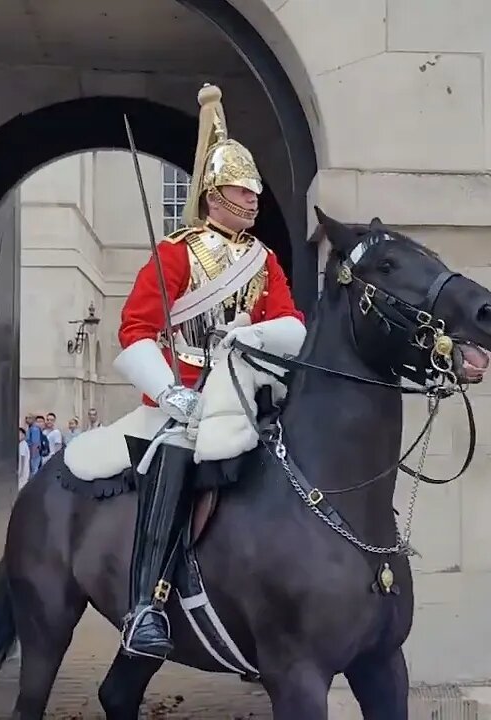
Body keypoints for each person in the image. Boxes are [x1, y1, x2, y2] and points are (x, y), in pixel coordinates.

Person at [111, 83, 306, 660]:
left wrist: (250, 338)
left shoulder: (263, 260)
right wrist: (171, 393)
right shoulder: (177, 252)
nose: (251, 199)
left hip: (244, 387)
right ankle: (145, 605)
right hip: (185, 393)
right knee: (176, 454)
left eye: (253, 190)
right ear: (212, 193)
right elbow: (136, 329)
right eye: (239, 189)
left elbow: (289, 324)